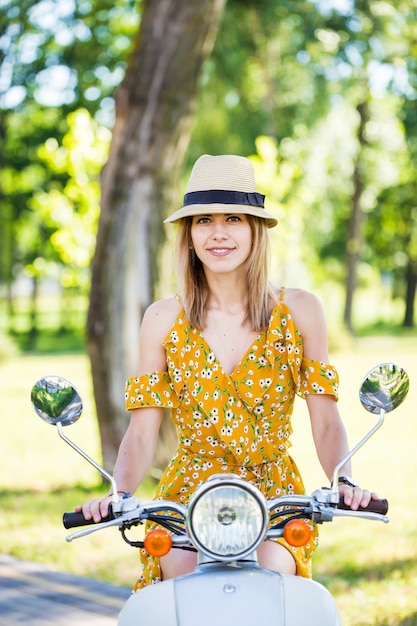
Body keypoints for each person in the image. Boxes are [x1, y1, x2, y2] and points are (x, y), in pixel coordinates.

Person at [77, 154, 378, 589]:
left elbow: (326, 419)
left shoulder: (301, 310)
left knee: (270, 573)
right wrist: (117, 492)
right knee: (182, 577)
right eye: (203, 220)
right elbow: (142, 433)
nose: (218, 233)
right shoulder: (162, 319)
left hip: (274, 496)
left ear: (255, 228)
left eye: (233, 218)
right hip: (189, 494)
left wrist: (344, 479)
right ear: (190, 234)